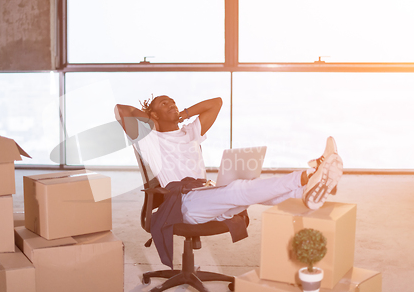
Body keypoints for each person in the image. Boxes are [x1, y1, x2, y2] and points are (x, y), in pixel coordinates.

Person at [114, 95, 343, 225]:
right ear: (153, 115)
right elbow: (121, 110)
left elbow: (216, 102)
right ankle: (308, 176)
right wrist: (152, 122)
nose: (172, 104)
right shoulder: (150, 139)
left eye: (172, 101)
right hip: (184, 203)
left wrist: (180, 114)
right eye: (164, 104)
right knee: (240, 190)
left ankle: (305, 193)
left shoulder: (189, 132)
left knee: (245, 193)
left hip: (206, 194)